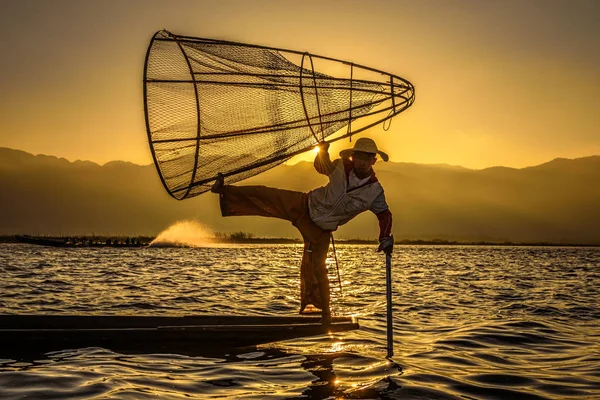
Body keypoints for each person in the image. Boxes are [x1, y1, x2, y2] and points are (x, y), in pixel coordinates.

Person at [211, 137, 394, 325]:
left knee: (319, 269)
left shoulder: (375, 191)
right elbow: (322, 167)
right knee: (267, 194)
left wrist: (385, 238)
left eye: (368, 157)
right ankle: (224, 191)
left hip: (322, 229)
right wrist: (322, 151)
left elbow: (385, 215)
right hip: (304, 205)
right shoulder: (341, 166)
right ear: (353, 157)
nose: (362, 162)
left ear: (374, 160)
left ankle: (325, 314)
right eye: (360, 156)